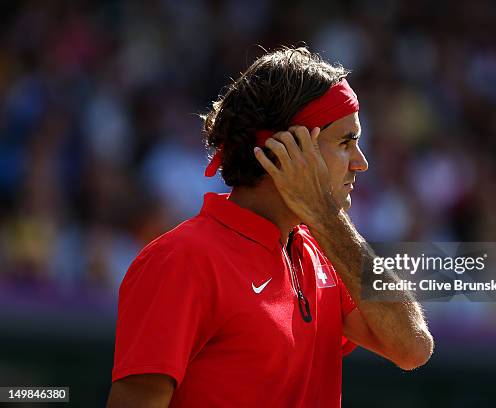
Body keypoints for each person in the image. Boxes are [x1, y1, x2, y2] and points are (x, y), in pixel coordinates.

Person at [107, 47, 433, 408]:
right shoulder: (181, 259)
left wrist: (326, 219)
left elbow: (413, 347)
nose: (361, 162)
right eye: (345, 142)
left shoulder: (326, 250)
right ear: (289, 148)